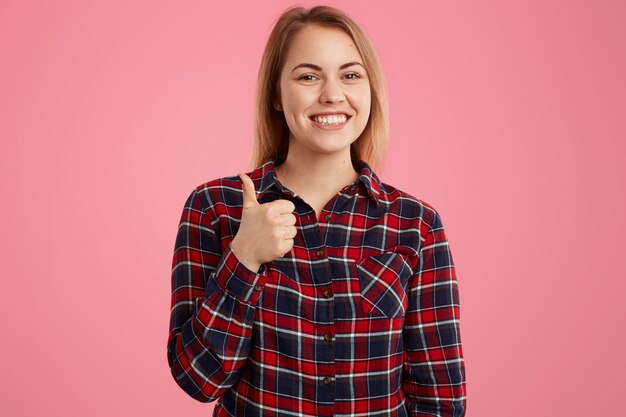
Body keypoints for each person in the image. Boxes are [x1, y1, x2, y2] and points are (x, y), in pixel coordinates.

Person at [167, 5, 466, 417]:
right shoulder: (215, 207)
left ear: (370, 90)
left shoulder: (416, 224)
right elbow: (199, 380)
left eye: (350, 75)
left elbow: (440, 399)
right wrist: (244, 258)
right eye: (308, 76)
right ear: (275, 93)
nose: (331, 94)